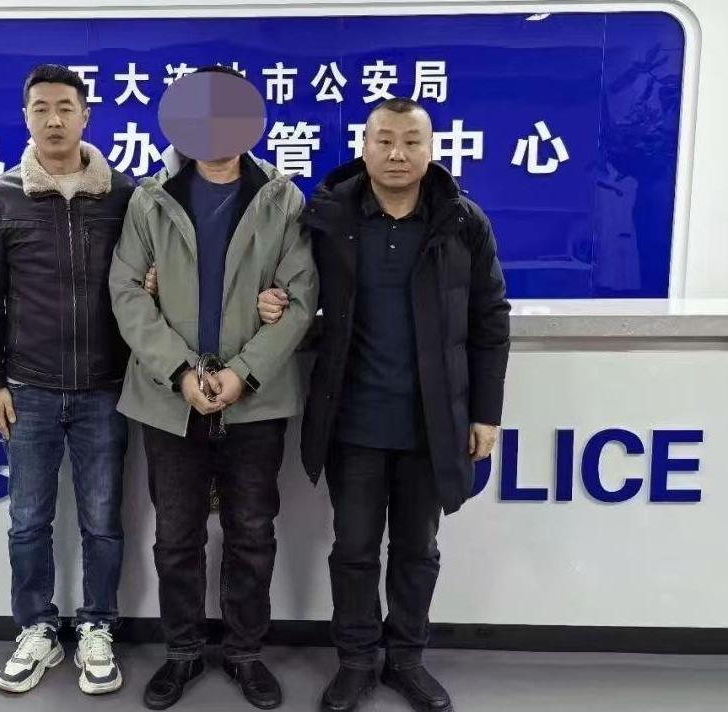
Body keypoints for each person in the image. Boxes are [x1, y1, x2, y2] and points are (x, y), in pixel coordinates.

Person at [265, 97, 510, 712]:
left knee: (417, 550)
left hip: (433, 420)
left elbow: (490, 319)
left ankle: (406, 659)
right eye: (385, 141)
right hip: (353, 419)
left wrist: (486, 412)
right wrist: (271, 300)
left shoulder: (461, 221)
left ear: (430, 149)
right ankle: (355, 661)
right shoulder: (328, 216)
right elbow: (284, 283)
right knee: (353, 549)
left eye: (411, 141)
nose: (398, 154)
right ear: (365, 146)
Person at [109, 65, 318, 711]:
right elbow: (126, 293)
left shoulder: (282, 199)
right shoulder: (149, 200)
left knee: (251, 531)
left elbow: (301, 296)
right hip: (166, 399)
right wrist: (179, 372)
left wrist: (241, 374)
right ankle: (181, 652)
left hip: (255, 400)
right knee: (176, 536)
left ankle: (245, 652)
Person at [0, 63, 134, 696]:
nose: (54, 119)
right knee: (27, 521)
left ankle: (98, 626)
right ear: (26, 117)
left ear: (86, 115)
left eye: (65, 107)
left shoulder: (121, 195)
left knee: (102, 521)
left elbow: (143, 281)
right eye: (41, 108)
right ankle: (36, 628)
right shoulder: (2, 197)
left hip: (105, 388)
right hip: (29, 388)